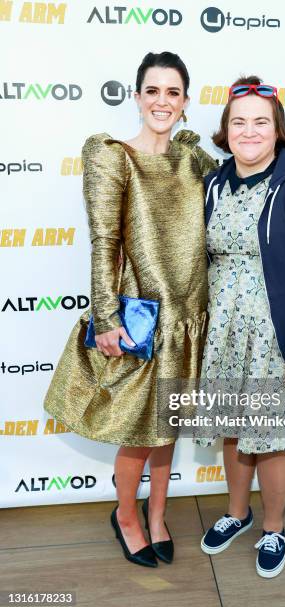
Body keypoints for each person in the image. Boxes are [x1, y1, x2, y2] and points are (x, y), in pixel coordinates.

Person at [44, 51, 216, 568]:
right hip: (143, 318)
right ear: (137, 96)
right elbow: (104, 241)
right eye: (153, 90)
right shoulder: (112, 155)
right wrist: (106, 317)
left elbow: (247, 175)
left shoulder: (193, 159)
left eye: (173, 92)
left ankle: (158, 513)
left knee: (170, 427)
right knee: (141, 434)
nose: (162, 101)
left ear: (185, 102)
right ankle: (125, 517)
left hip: (192, 317)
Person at [195, 76, 285, 578]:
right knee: (234, 431)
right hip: (225, 336)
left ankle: (273, 528)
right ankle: (237, 514)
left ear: (278, 130)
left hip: (276, 341)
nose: (250, 131)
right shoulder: (214, 185)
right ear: (226, 130)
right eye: (239, 122)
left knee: (273, 437)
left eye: (261, 122)